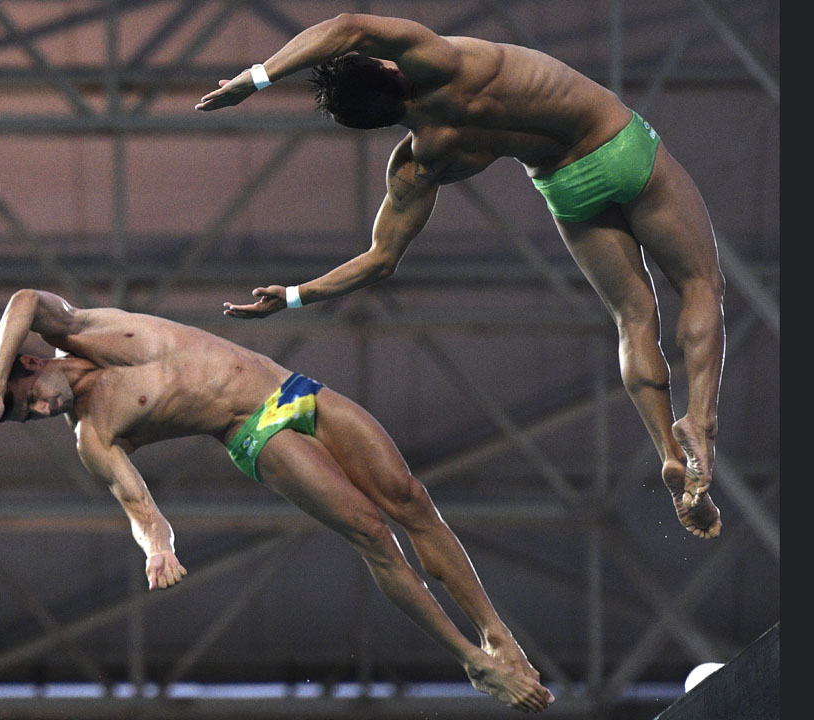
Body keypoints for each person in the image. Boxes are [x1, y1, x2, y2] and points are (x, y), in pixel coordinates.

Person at [195, 13, 726, 541]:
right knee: (701, 285)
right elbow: (348, 24)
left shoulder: (421, 159)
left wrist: (292, 296)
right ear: (388, 66)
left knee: (632, 317)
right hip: (615, 140)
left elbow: (381, 258)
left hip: (567, 187)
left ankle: (667, 451)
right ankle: (699, 422)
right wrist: (259, 76)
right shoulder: (442, 61)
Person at [0, 288, 554, 713]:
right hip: (254, 431)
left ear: (31, 363)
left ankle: (496, 634)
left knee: (413, 500)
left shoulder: (80, 327)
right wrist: (158, 548)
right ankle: (471, 661)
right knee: (373, 533)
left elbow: (23, 300)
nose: (42, 412)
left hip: (289, 387)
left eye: (30, 399)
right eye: (27, 419)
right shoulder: (95, 435)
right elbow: (138, 507)